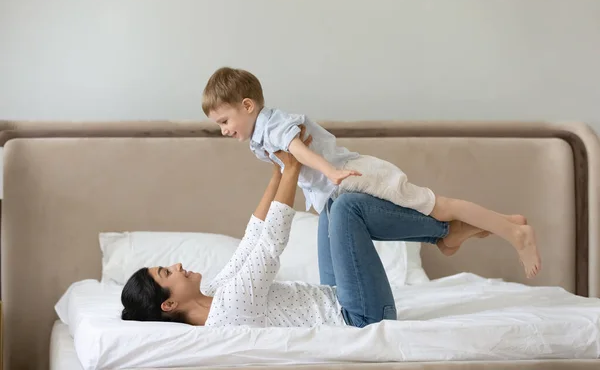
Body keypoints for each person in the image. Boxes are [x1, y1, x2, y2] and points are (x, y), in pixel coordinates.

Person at [121, 129, 515, 328]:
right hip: (359, 317)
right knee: (347, 209)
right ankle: (444, 233)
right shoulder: (228, 312)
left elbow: (252, 236)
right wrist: (293, 167)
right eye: (166, 274)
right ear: (168, 304)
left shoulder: (212, 291)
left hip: (335, 296)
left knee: (331, 202)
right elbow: (270, 244)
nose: (176, 265)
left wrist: (278, 170)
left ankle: (445, 234)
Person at [201, 67, 540, 278]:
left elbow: (298, 149)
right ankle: (461, 234)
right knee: (428, 214)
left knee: (442, 206)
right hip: (341, 187)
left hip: (354, 174)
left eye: (225, 121)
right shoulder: (260, 137)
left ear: (247, 106)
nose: (224, 130)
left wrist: (331, 172)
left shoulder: (272, 124)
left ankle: (513, 232)